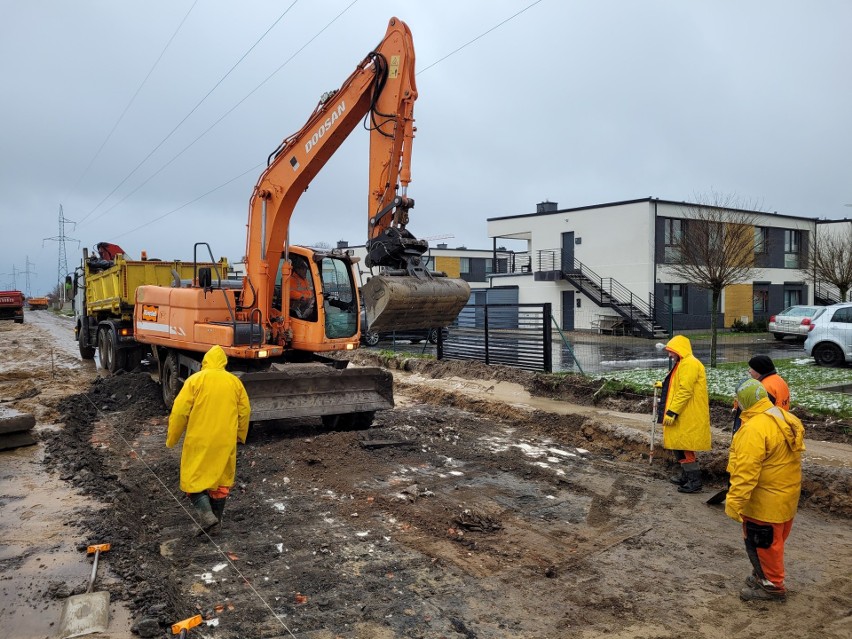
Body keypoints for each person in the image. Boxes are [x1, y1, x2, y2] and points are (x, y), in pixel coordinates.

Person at [726, 378, 805, 602]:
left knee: (762, 543)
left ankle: (772, 586)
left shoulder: (753, 429)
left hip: (764, 501)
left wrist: (734, 502)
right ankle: (762, 575)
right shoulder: (785, 417)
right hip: (785, 495)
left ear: (744, 401)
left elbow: (745, 472)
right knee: (774, 541)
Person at [166, 345, 251, 533]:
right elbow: (244, 411)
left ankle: (208, 517)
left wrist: (172, 438)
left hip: (199, 441)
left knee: (192, 480)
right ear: (224, 362)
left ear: (205, 361)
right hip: (225, 441)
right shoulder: (234, 382)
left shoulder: (195, 381)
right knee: (220, 483)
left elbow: (179, 412)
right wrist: (239, 435)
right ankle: (215, 524)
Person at [657, 335, 711, 493]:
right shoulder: (683, 363)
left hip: (687, 413)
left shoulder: (689, 364)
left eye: (671, 351)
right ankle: (687, 475)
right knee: (678, 445)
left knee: (684, 447)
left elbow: (685, 391)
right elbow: (679, 384)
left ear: (679, 350)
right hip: (684, 412)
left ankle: (694, 481)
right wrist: (664, 385)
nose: (670, 355)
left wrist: (672, 412)